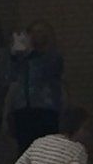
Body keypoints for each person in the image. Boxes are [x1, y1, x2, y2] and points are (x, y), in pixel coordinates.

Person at [5, 20, 65, 151]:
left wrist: (29, 51)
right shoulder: (22, 58)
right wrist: (15, 56)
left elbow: (47, 70)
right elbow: (13, 78)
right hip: (22, 109)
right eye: (34, 32)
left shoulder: (53, 56)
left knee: (46, 149)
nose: (37, 35)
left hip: (46, 109)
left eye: (41, 31)